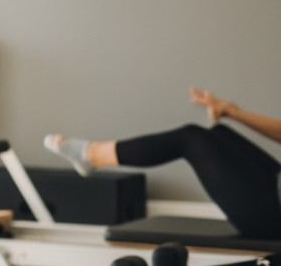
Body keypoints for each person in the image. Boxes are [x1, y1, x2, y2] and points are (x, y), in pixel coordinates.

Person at [45, 86, 281, 239]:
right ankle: (91, 155)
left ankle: (92, 154)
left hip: (273, 219)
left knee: (190, 138)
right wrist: (229, 111)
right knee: (220, 134)